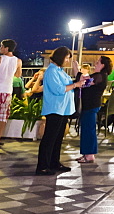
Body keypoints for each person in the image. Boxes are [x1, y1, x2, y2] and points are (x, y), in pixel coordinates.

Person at [36, 47, 84, 175]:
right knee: (50, 138)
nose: (68, 61)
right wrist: (75, 85)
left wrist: (76, 81)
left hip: (63, 109)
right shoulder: (51, 71)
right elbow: (58, 89)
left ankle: (54, 162)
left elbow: (67, 85)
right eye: (67, 58)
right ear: (60, 57)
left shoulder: (60, 71)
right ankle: (42, 165)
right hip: (55, 108)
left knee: (58, 138)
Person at [76, 55, 111, 164]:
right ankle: (86, 153)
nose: (95, 63)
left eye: (98, 62)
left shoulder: (100, 76)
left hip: (91, 105)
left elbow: (84, 83)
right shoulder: (99, 75)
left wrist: (77, 71)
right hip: (89, 105)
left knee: (89, 129)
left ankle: (90, 154)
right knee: (86, 129)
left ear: (103, 65)